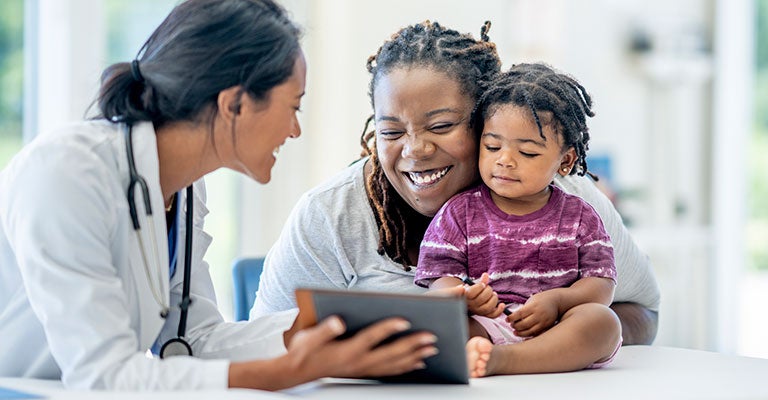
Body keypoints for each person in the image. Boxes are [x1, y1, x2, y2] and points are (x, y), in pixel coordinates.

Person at [0, 0, 438, 390]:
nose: (294, 129)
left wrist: (332, 324)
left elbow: (194, 340)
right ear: (235, 104)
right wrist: (284, 373)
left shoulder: (185, 188)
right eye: (294, 106)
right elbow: (105, 375)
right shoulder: (66, 171)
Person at [251, 20, 661, 345]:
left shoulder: (564, 199)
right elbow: (267, 341)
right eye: (391, 132)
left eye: (442, 125)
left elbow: (643, 312)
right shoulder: (330, 214)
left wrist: (544, 337)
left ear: (488, 119)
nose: (414, 150)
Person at [414, 63, 622, 377]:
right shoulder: (458, 214)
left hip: (557, 329)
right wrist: (466, 298)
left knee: (603, 322)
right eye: (492, 146)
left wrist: (558, 300)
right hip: (484, 326)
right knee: (436, 322)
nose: (505, 160)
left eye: (527, 153)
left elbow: (601, 285)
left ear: (565, 161)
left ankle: (505, 361)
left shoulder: (580, 217)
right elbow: (440, 282)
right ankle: (486, 354)